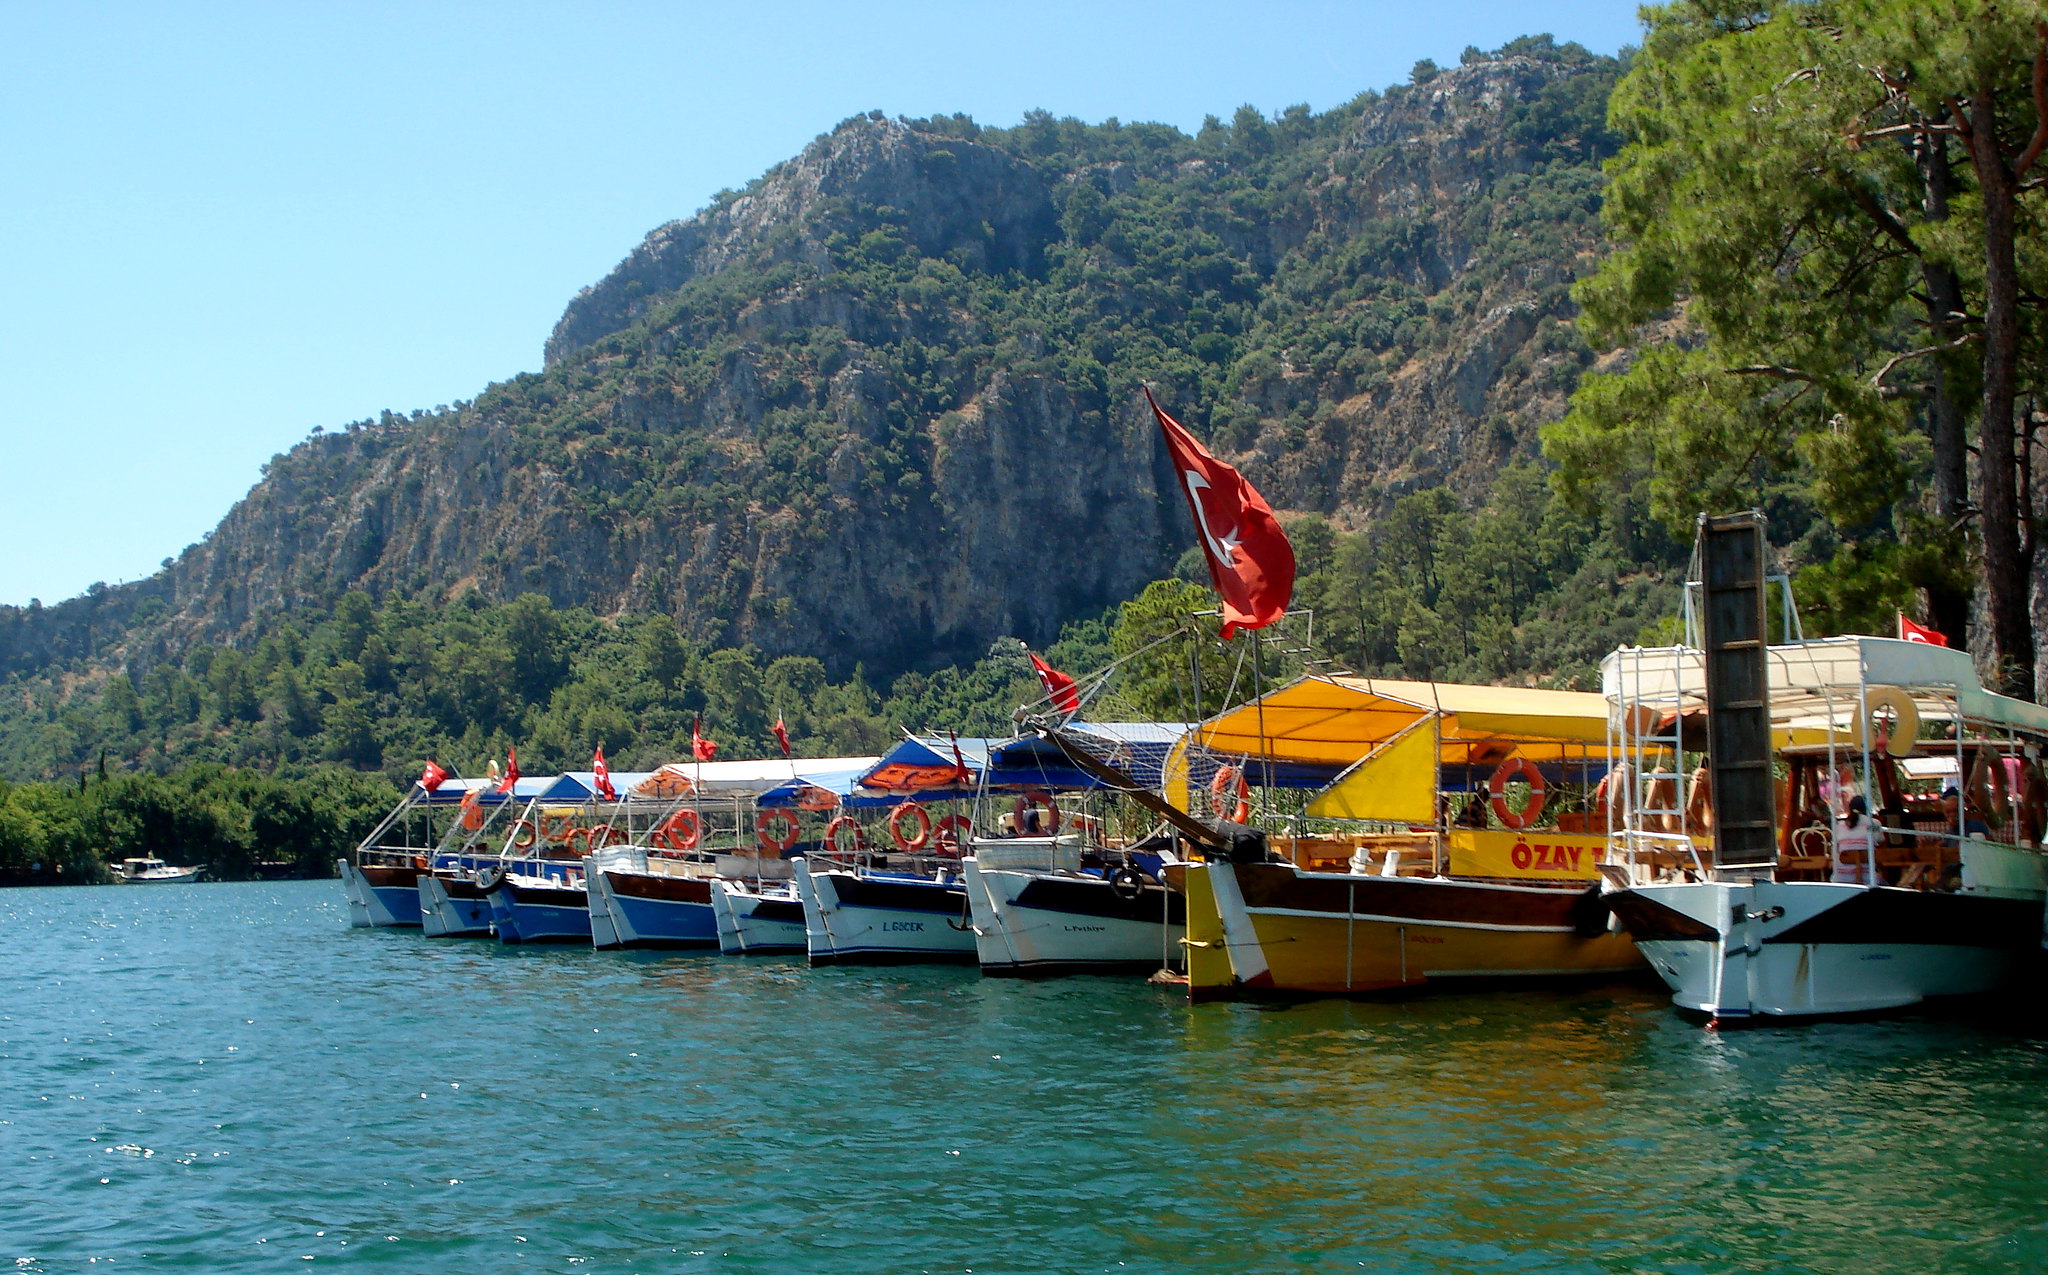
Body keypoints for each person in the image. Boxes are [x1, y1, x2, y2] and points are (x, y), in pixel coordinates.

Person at [1832, 795, 1882, 885]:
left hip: (1842, 878)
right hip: (1869, 877)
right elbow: (1880, 842)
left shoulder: (1840, 826)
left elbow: (1836, 847)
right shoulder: (1874, 823)